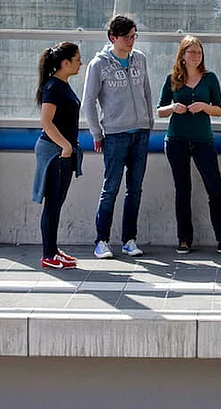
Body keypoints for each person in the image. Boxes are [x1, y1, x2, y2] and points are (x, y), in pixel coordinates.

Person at [157, 36, 221, 255]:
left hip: (203, 140)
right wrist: (173, 107)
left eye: (199, 52)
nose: (196, 56)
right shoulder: (172, 79)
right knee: (182, 190)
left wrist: (204, 106)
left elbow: (219, 109)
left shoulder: (210, 78)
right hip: (177, 140)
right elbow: (159, 110)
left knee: (215, 188)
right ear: (182, 55)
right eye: (191, 52)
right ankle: (184, 239)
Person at [83, 15, 154, 259]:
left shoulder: (140, 59)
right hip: (114, 134)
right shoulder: (98, 64)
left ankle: (129, 239)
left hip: (140, 132)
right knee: (110, 187)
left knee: (135, 189)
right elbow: (88, 102)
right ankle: (101, 240)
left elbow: (146, 91)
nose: (131, 41)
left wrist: (149, 122)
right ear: (113, 37)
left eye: (134, 36)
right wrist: (96, 132)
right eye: (127, 37)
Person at [32, 42, 83, 269]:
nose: (81, 63)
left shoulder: (63, 84)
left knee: (57, 203)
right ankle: (48, 254)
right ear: (65, 63)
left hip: (63, 152)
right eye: (77, 59)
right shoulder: (53, 87)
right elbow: (46, 121)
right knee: (52, 204)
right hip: (54, 153)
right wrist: (65, 146)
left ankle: (53, 249)